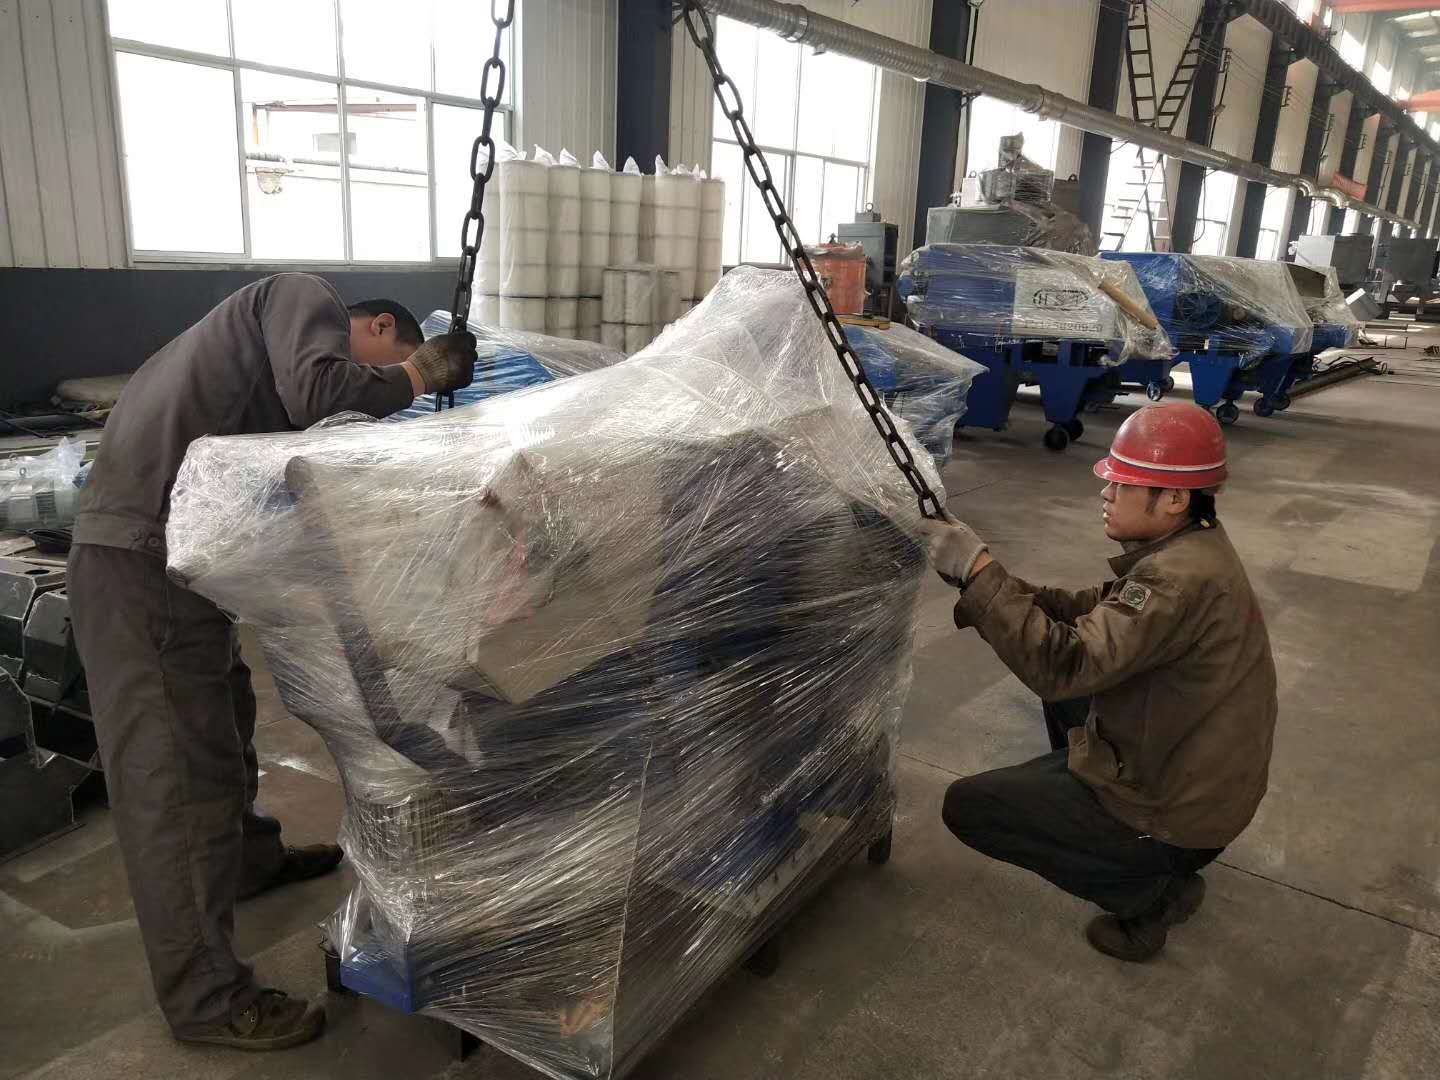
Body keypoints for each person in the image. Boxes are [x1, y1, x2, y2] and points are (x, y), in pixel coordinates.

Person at [67, 274, 476, 1049]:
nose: (376, 391)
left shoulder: (244, 360)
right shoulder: (300, 295)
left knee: (225, 721)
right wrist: (419, 375)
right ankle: (207, 999)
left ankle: (252, 862)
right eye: (388, 359)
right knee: (176, 781)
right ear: (377, 329)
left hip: (176, 562)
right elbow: (323, 390)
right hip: (141, 565)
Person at [922, 403, 1277, 963]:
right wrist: (985, 578)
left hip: (1176, 815)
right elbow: (1085, 611)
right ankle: (1105, 822)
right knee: (1067, 683)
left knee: (971, 807)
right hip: (1196, 783)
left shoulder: (1175, 580)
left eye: (1122, 484)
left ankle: (1152, 892)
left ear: (1175, 498)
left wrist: (980, 574)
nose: (1106, 493)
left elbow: (1062, 665)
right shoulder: (1192, 547)